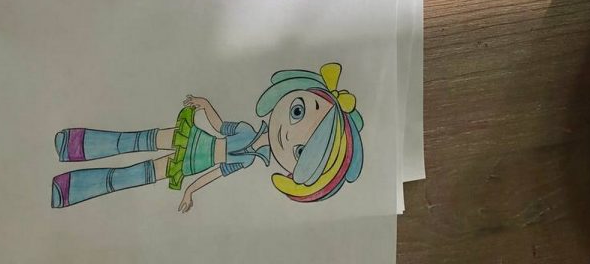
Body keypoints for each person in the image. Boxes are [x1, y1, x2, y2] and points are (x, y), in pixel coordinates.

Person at [51, 63, 364, 211]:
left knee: (135, 175)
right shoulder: (245, 130)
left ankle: (70, 189)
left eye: (300, 152)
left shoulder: (245, 161)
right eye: (297, 111)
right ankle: (73, 144)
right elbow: (219, 126)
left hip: (193, 164)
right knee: (134, 140)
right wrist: (204, 104)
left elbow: (215, 173)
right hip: (194, 138)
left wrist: (190, 191)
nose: (288, 134)